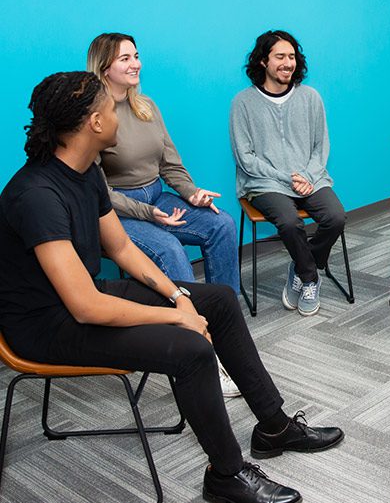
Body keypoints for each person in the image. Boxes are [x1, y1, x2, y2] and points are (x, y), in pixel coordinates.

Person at [0, 72, 344, 503]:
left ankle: (274, 426)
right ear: (93, 122)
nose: (118, 116)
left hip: (85, 298)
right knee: (191, 349)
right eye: (110, 109)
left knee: (216, 300)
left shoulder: (85, 171)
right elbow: (85, 306)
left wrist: (180, 296)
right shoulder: (36, 194)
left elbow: (122, 248)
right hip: (47, 326)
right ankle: (226, 475)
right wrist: (176, 316)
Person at [88, 32, 242, 398]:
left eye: (136, 56)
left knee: (221, 224)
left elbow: (171, 164)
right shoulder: (94, 118)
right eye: (125, 58)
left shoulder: (147, 108)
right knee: (170, 250)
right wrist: (148, 213)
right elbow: (98, 192)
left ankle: (225, 330)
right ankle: (200, 347)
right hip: (120, 212)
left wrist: (193, 194)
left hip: (158, 197)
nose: (135, 63)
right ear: (104, 67)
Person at [230, 30, 346, 316]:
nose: (287, 62)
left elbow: (321, 145)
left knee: (335, 217)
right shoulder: (243, 103)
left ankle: (300, 265)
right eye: (279, 56)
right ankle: (310, 277)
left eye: (292, 56)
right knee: (289, 222)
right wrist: (286, 178)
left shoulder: (310, 97)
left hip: (311, 178)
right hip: (264, 182)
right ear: (262, 62)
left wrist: (307, 174)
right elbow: (245, 158)